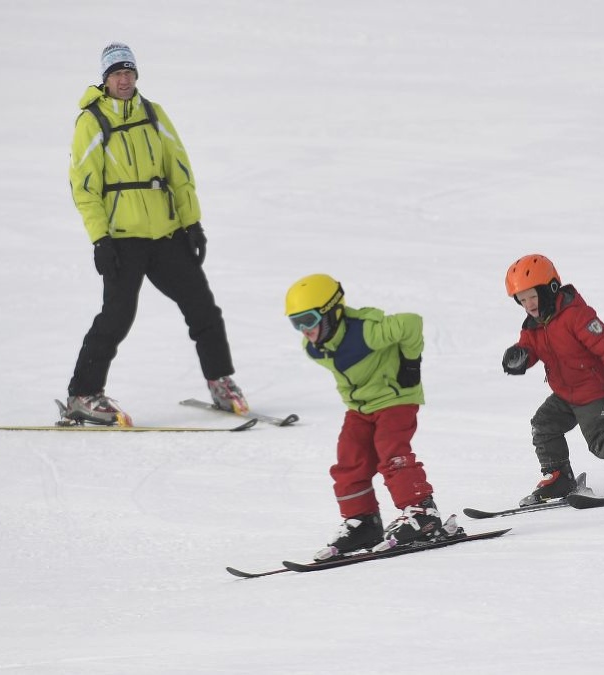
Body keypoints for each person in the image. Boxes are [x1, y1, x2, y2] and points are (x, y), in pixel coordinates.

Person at [63, 42, 247, 426]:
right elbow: (84, 188)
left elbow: (178, 168)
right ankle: (83, 393)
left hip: (166, 234)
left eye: (129, 72)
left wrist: (191, 222)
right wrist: (100, 239)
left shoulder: (153, 113)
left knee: (202, 307)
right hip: (122, 239)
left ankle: (220, 381)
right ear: (105, 78)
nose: (124, 79)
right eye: (117, 73)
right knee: (117, 316)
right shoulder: (91, 121)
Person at [285, 273, 446, 560]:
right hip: (360, 409)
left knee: (391, 454)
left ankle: (423, 513)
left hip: (395, 399)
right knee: (349, 460)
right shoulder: (314, 348)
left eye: (308, 320)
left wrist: (411, 363)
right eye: (296, 323)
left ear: (331, 311)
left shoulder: (366, 332)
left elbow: (412, 323)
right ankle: (362, 522)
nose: (303, 330)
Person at [501, 254, 604, 506]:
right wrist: (518, 357)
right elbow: (530, 349)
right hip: (565, 394)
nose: (529, 304)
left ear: (550, 289)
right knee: (544, 425)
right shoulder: (533, 326)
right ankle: (558, 477)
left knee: (600, 436)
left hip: (594, 391)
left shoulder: (576, 314)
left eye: (533, 297)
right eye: (522, 300)